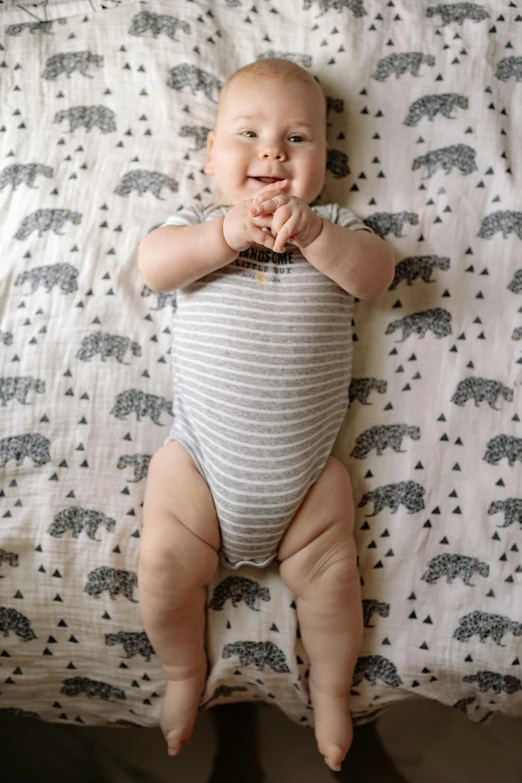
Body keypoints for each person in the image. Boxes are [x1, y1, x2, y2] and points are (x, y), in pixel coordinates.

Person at [137, 57, 395, 773]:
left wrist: (314, 235)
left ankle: (333, 692)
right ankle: (186, 673)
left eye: (298, 138)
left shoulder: (334, 226)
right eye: (248, 134)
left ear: (324, 160)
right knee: (161, 562)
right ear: (211, 157)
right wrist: (224, 235)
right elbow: (154, 266)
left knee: (335, 575)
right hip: (202, 465)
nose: (273, 151)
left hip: (305, 478)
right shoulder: (194, 226)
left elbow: (377, 276)